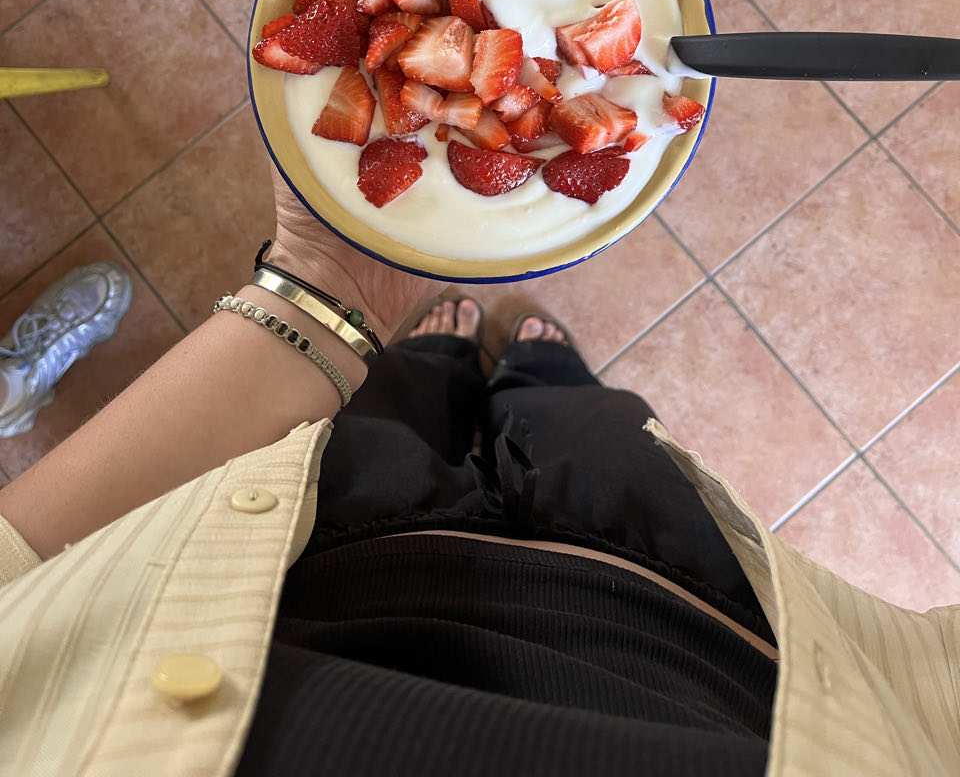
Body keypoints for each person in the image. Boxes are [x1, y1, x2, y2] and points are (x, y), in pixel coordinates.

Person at [0, 169, 956, 777]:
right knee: (588, 423)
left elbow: (16, 576)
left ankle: (441, 358)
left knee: (387, 402)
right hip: (674, 589)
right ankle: (536, 372)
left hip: (315, 549)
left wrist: (326, 289)